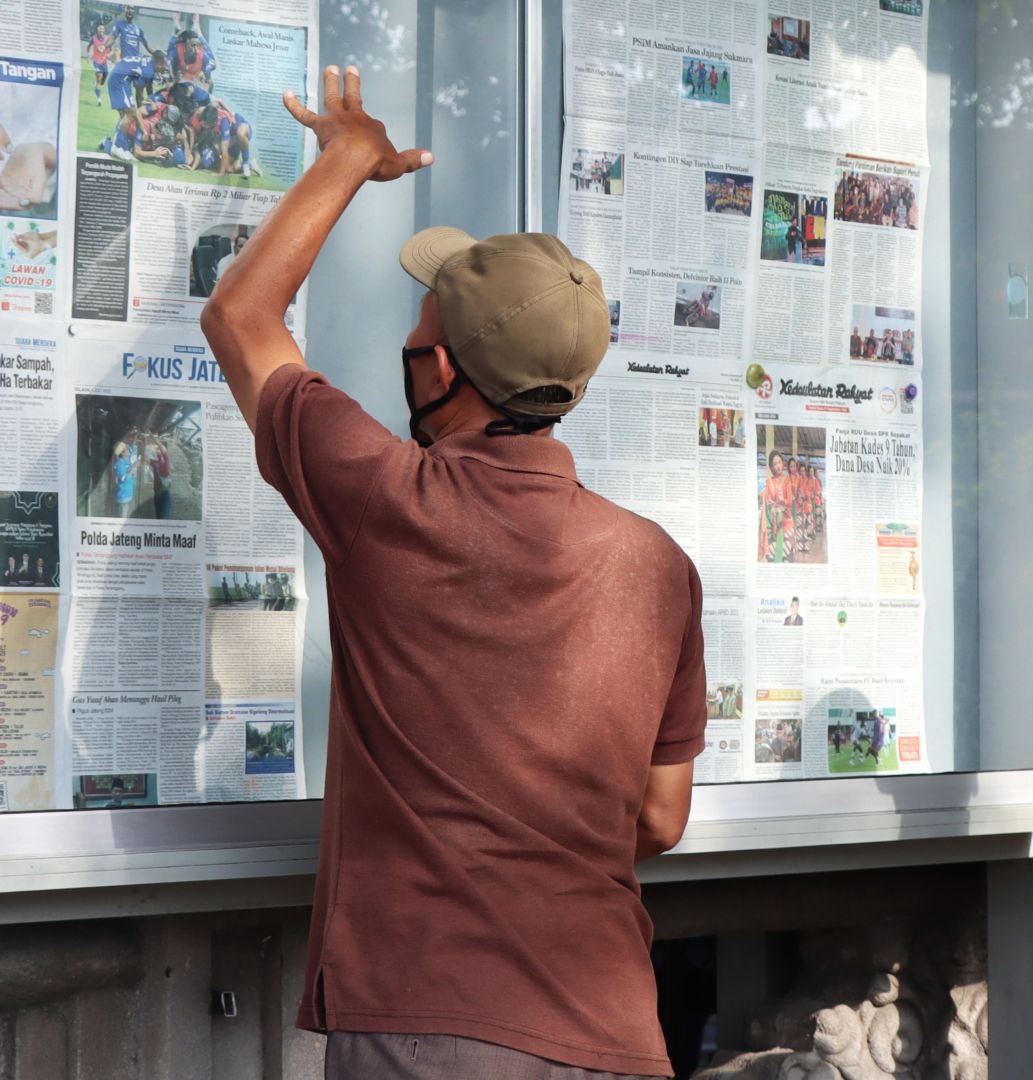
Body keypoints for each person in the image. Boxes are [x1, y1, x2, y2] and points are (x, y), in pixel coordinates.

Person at [200, 67, 706, 1079]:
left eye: (420, 329)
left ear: (440, 374)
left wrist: (346, 157)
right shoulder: (657, 565)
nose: (407, 340)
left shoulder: (391, 503)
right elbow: (658, 818)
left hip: (429, 1026)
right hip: (616, 1030)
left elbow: (242, 317)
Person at [90, 24, 113, 106]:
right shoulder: (93, 38)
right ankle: (99, 99)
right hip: (96, 61)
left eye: (102, 29)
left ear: (104, 30)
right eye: (99, 28)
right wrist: (89, 56)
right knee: (99, 76)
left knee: (102, 81)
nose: (101, 30)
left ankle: (96, 84)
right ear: (97, 29)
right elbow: (89, 47)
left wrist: (108, 55)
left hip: (104, 62)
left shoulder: (107, 39)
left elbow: (111, 50)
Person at [112, 442, 137, 517]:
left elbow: (132, 447)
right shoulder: (119, 464)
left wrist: (136, 436)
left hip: (128, 495)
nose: (128, 450)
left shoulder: (127, 460)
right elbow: (123, 479)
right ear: (122, 453)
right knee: (122, 519)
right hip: (123, 497)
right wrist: (133, 467)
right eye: (126, 449)